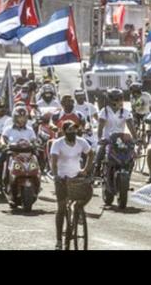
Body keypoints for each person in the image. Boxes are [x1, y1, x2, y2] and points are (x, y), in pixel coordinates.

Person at [50, 121, 93, 249]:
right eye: (69, 130)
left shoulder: (81, 142)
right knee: (61, 208)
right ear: (64, 132)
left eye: (74, 130)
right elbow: (53, 161)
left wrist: (85, 170)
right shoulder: (57, 144)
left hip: (76, 177)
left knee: (88, 193)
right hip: (62, 179)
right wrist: (56, 175)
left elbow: (91, 154)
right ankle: (58, 240)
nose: (72, 132)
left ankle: (78, 210)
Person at [96, 88, 138, 175]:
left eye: (121, 99)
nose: (120, 101)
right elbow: (100, 128)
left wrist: (136, 139)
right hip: (108, 140)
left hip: (121, 141)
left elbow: (131, 127)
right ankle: (96, 169)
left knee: (131, 156)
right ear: (110, 100)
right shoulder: (104, 112)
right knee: (101, 151)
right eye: (117, 99)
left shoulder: (126, 112)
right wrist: (100, 138)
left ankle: (127, 174)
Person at [0, 105, 37, 191]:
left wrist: (36, 144)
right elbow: (3, 139)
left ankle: (37, 178)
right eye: (19, 117)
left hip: (27, 153)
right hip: (12, 152)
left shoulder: (30, 130)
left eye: (24, 117)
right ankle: (0, 182)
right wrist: (3, 144)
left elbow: (34, 140)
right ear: (15, 118)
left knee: (39, 156)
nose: (22, 120)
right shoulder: (8, 129)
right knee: (0, 161)